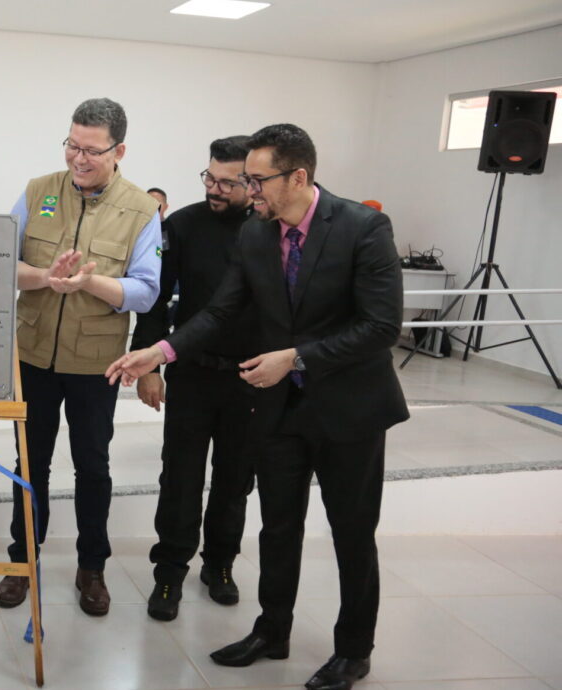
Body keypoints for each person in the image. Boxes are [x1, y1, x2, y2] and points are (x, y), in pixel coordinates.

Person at [107, 123, 407, 690]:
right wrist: (161, 351)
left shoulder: (363, 228)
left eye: (257, 179)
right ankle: (273, 630)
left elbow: (381, 327)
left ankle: (353, 649)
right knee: (278, 526)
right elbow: (222, 311)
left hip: (349, 410)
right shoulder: (256, 234)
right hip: (278, 409)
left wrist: (294, 358)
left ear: (299, 176)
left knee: (351, 531)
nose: (250, 190)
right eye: (245, 179)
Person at [0, 98, 161, 617]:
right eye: (72, 145)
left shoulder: (141, 209)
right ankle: (22, 561)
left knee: (93, 466)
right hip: (34, 353)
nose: (78, 159)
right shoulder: (37, 190)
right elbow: (1, 261)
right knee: (31, 462)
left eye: (91, 150)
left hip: (96, 363)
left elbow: (146, 291)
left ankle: (92, 569)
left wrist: (93, 283)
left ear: (119, 150)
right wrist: (45, 278)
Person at [131, 136, 258, 622]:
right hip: (192, 373)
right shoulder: (183, 225)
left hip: (252, 377)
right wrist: (150, 366)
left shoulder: (267, 229)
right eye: (210, 178)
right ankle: (169, 571)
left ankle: (220, 565)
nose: (216, 189)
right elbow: (155, 300)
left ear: (252, 182)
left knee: (235, 479)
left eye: (228, 183)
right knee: (181, 476)